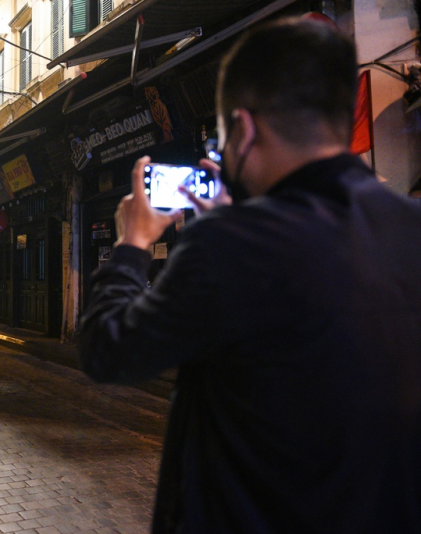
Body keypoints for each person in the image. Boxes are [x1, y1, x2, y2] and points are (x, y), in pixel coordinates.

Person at [79, 18, 421, 534]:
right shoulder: (410, 226)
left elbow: (110, 350)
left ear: (244, 128)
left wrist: (132, 244)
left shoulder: (229, 244)